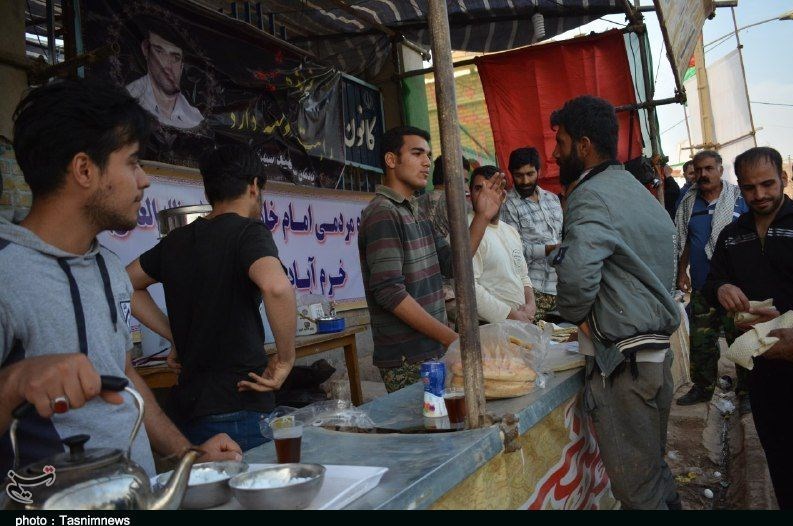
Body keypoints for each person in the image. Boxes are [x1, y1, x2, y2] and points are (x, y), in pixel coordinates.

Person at [0, 79, 239, 478]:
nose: (143, 179)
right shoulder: (7, 271)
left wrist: (189, 454)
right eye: (132, 162)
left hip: (134, 495)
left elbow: (125, 375)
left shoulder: (109, 267)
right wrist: (13, 385)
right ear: (84, 169)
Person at [550, 96, 681, 510]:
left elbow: (577, 277)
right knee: (654, 473)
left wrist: (572, 313)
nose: (555, 153)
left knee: (637, 492)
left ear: (584, 145)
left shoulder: (589, 196)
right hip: (655, 358)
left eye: (561, 142)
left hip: (625, 368)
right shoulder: (637, 192)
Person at [126, 145, 296, 451]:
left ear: (209, 190)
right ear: (254, 186)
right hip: (241, 405)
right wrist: (285, 359)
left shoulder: (176, 241)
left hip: (189, 411)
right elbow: (277, 287)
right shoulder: (249, 232)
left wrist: (175, 334)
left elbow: (125, 284)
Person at [358, 126, 503, 393]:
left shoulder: (415, 209)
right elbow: (389, 293)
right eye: (417, 154)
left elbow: (453, 264)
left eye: (427, 155)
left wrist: (482, 217)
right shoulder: (383, 213)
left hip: (432, 348)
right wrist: (453, 338)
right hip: (408, 357)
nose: (427, 162)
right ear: (391, 160)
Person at [703, 146, 793, 509]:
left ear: (783, 179)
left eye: (768, 184)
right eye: (750, 187)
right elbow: (712, 283)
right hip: (762, 368)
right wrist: (722, 288)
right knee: (780, 455)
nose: (760, 195)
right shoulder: (732, 235)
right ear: (740, 187)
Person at [674, 150, 750, 410]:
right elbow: (685, 240)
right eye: (699, 170)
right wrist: (681, 271)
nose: (703, 174)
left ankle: (747, 390)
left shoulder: (739, 199)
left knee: (740, 339)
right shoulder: (688, 203)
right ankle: (702, 388)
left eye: (709, 168)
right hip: (703, 284)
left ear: (720, 169)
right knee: (701, 341)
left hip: (736, 286)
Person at [501, 147, 562, 322]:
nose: (525, 181)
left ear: (539, 171)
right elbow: (514, 251)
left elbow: (561, 235)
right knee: (531, 336)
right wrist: (550, 249)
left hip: (561, 286)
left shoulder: (552, 199)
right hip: (532, 290)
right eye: (519, 175)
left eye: (530, 174)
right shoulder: (508, 204)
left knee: (565, 335)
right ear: (511, 174)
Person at [469, 165, 536, 324]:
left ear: (504, 195)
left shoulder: (510, 231)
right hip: (486, 327)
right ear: (469, 194)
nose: (485, 195)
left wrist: (531, 305)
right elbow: (468, 287)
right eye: (479, 189)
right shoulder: (466, 231)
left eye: (493, 188)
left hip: (519, 323)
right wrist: (511, 315)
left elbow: (523, 276)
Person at [126, 19, 204, 129]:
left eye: (175, 57)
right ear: (146, 49)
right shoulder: (129, 98)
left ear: (182, 64)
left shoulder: (193, 117)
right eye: (159, 52)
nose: (167, 65)